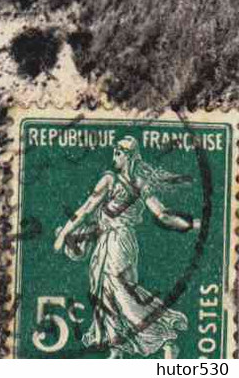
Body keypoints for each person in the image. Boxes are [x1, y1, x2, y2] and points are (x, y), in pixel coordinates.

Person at [53, 136, 199, 358]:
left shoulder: (113, 181)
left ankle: (163, 337)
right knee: (105, 292)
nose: (115, 156)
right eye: (115, 152)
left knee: (121, 292)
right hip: (112, 241)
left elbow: (162, 215)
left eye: (119, 153)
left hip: (118, 242)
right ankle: (117, 347)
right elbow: (88, 209)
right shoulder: (135, 183)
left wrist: (63, 234)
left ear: (129, 156)